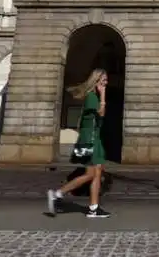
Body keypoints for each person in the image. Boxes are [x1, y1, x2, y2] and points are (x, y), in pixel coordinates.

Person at [47, 68, 111, 218]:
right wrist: (103, 96)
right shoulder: (92, 98)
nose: (106, 83)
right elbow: (100, 113)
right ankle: (57, 194)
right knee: (90, 174)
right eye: (104, 80)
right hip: (89, 140)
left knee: (97, 173)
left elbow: (100, 118)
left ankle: (93, 208)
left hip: (95, 138)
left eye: (106, 80)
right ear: (96, 80)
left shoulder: (93, 96)